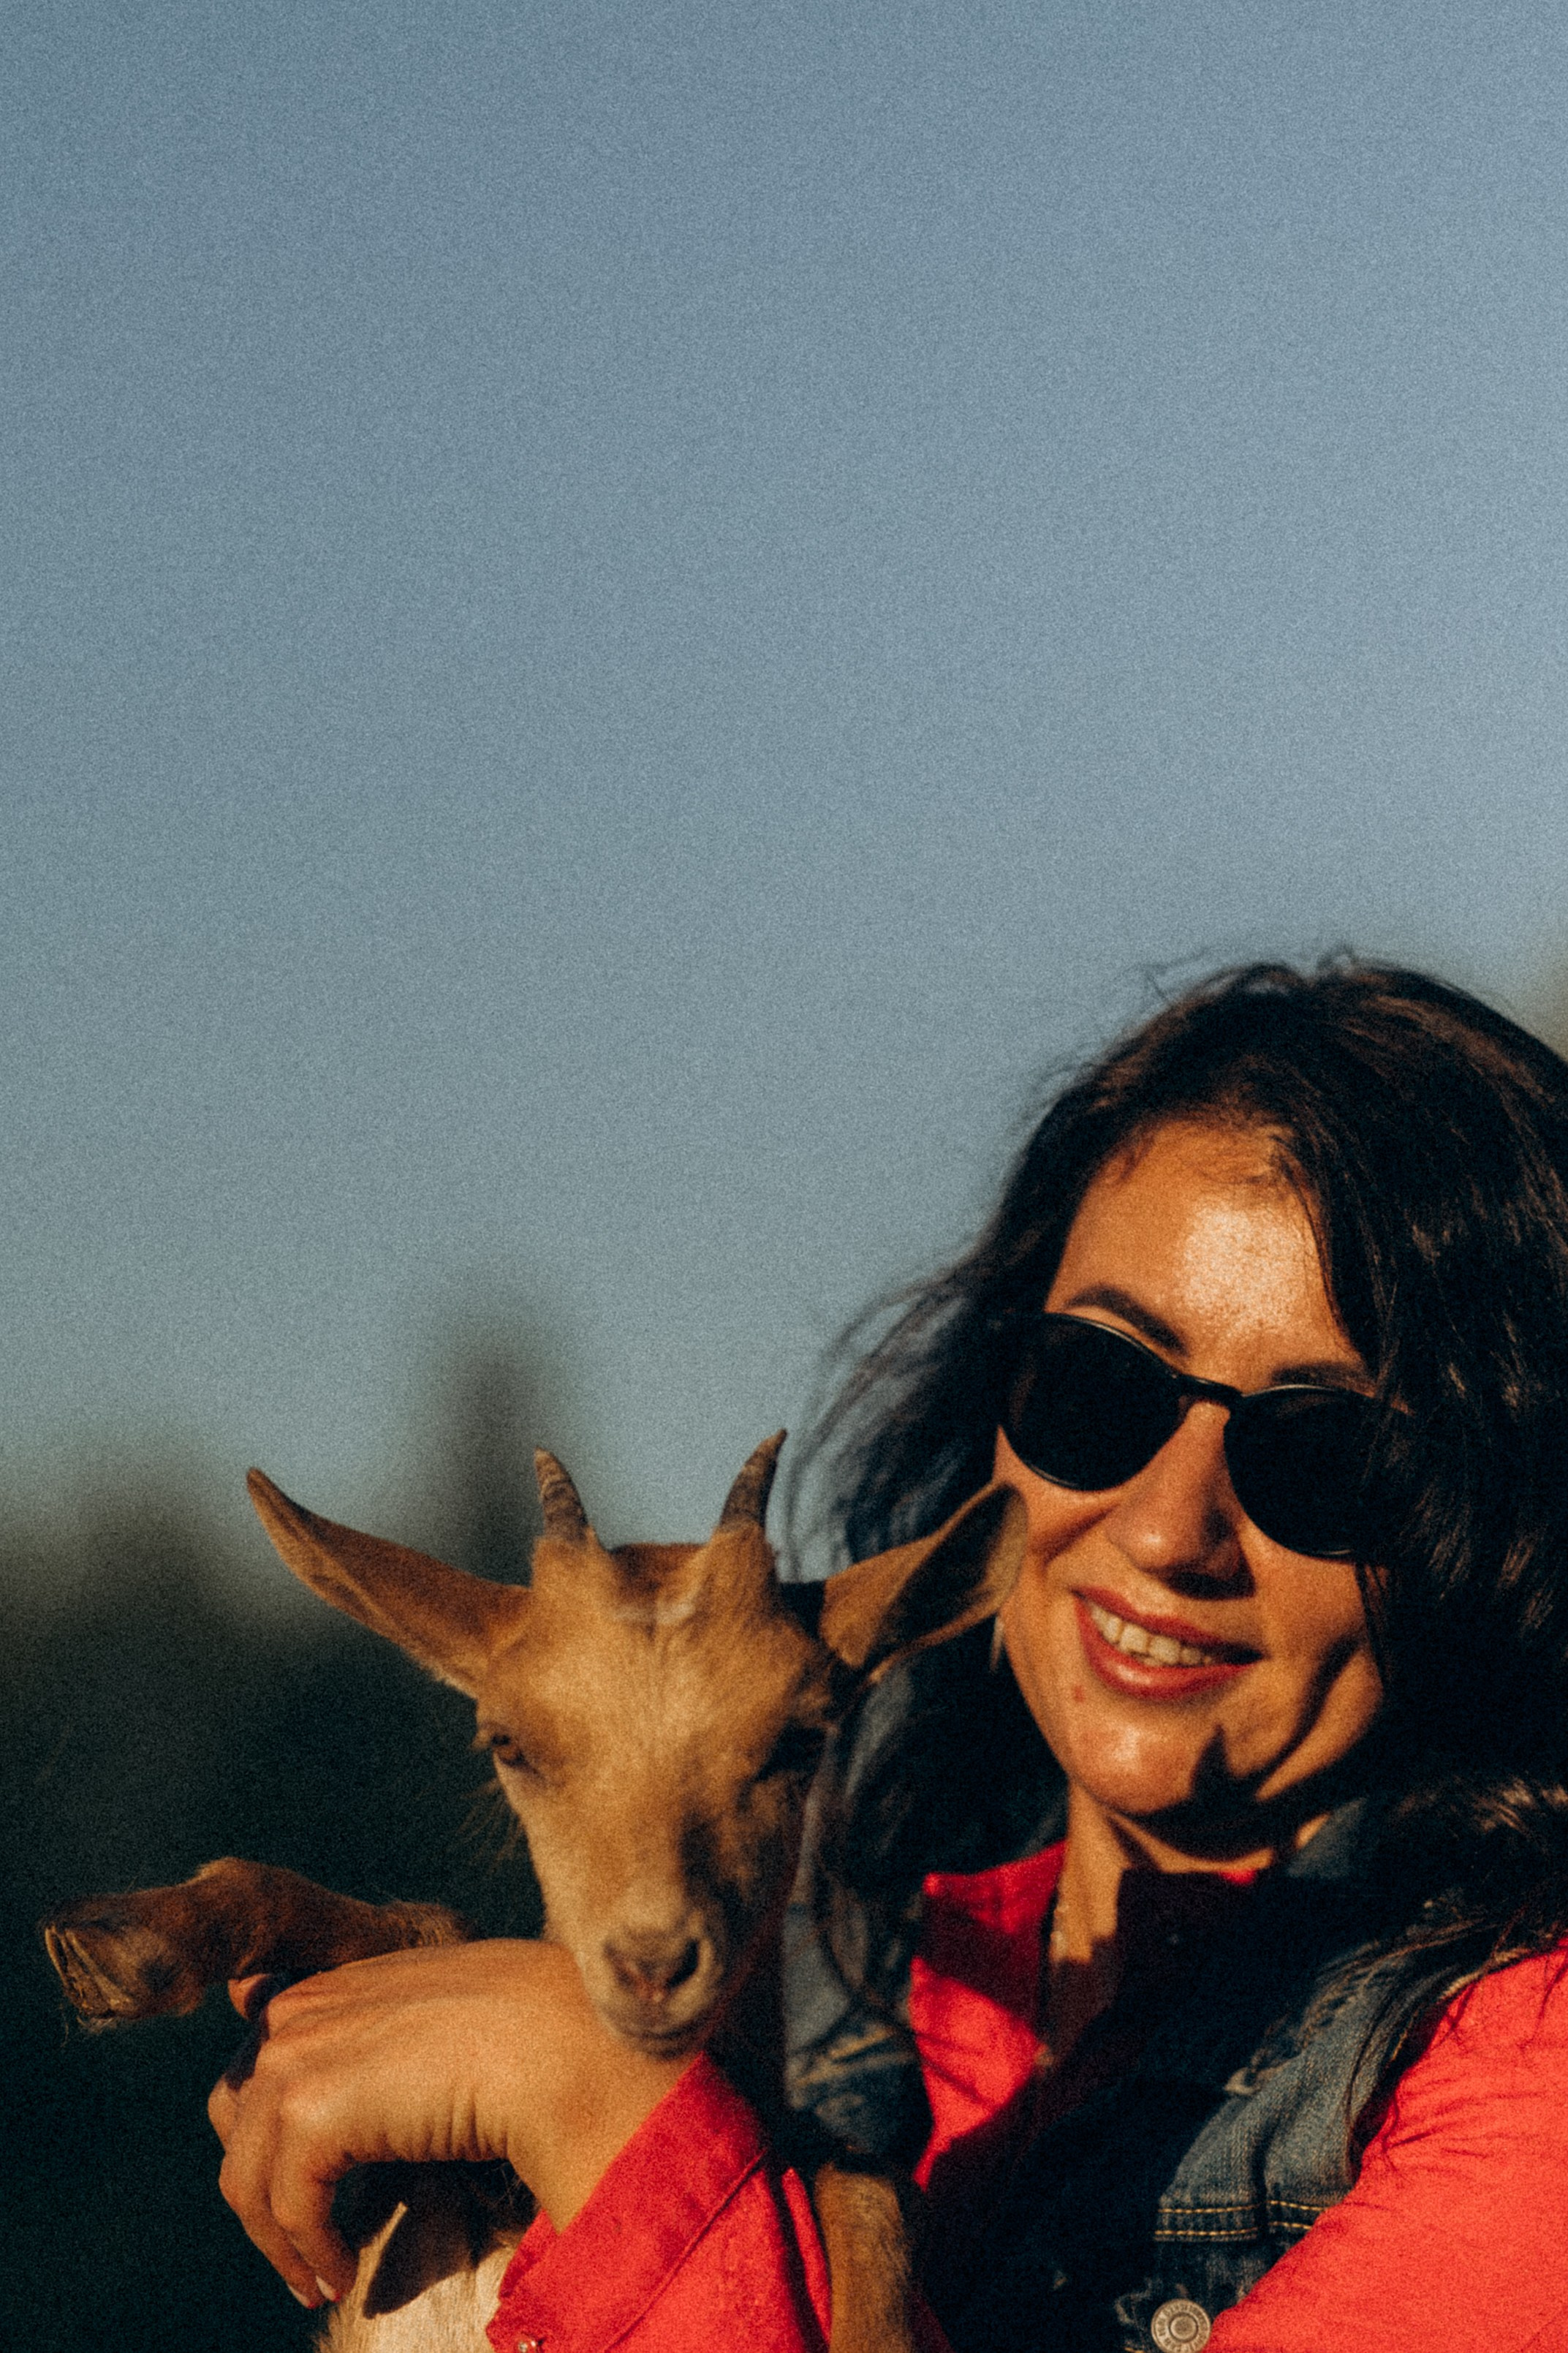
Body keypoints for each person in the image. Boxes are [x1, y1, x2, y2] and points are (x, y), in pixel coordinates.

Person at [209, 962, 1568, 2352]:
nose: (1169, 1531)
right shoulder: (884, 1962)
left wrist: (586, 2098)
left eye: (1326, 1459)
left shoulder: (1530, 2070)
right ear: (997, 1398)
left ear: (1507, 1524)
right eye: (1100, 1392)